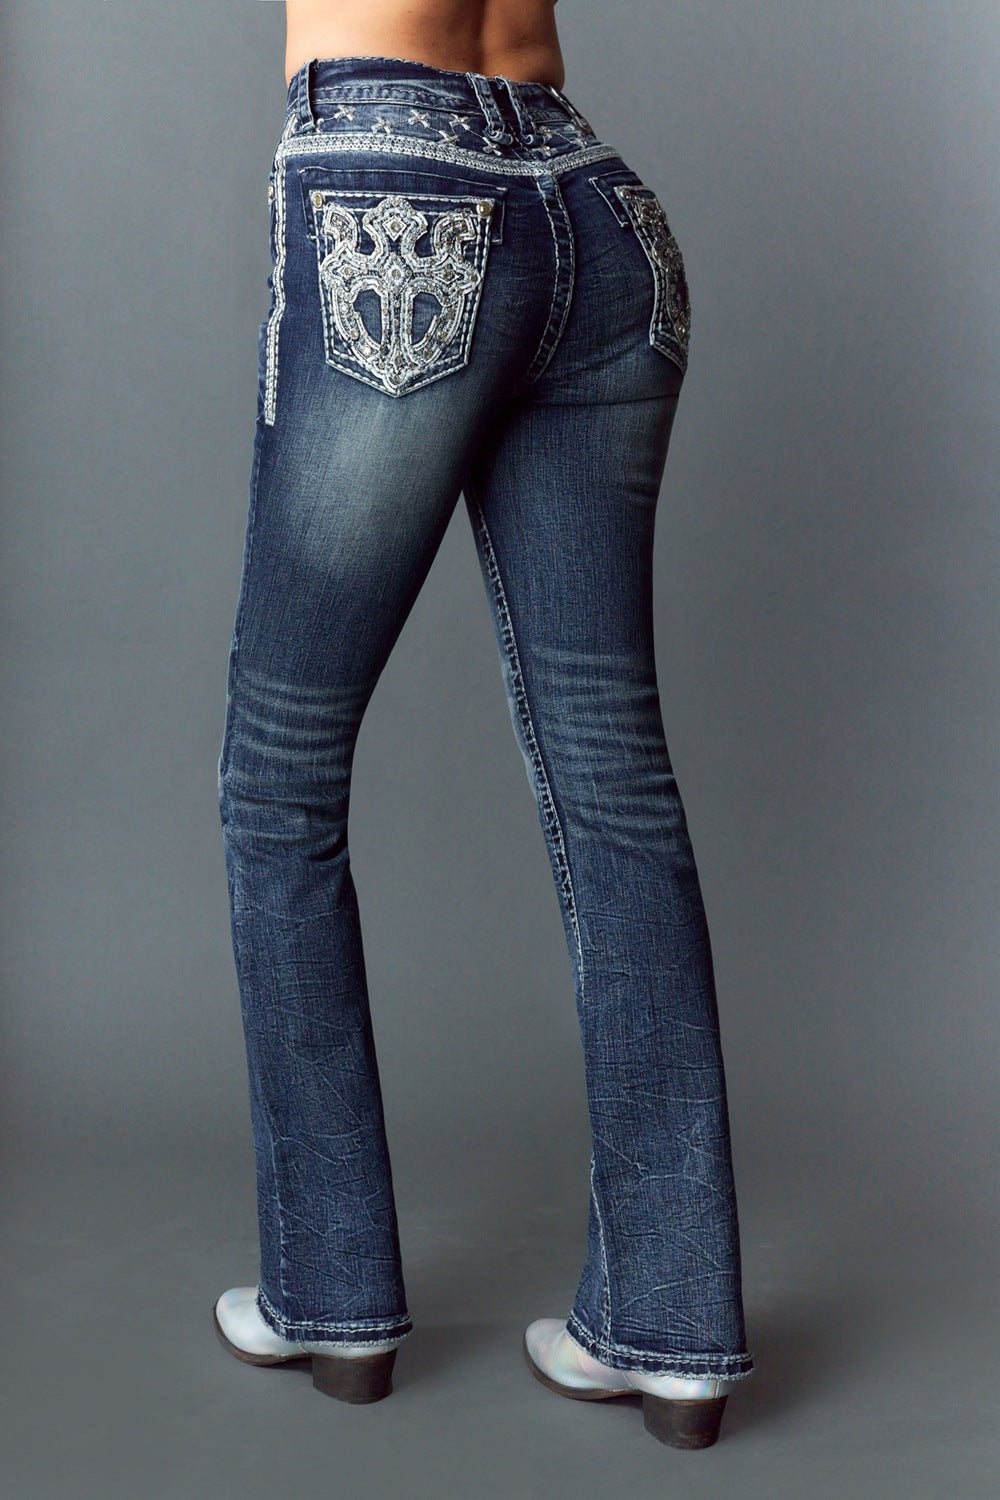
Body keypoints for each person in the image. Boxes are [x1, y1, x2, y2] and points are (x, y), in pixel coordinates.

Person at [212, 0, 754, 1449]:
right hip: (597, 205)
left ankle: (330, 1297)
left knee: (280, 777)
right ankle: (671, 1331)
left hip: (395, 186)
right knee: (613, 777)